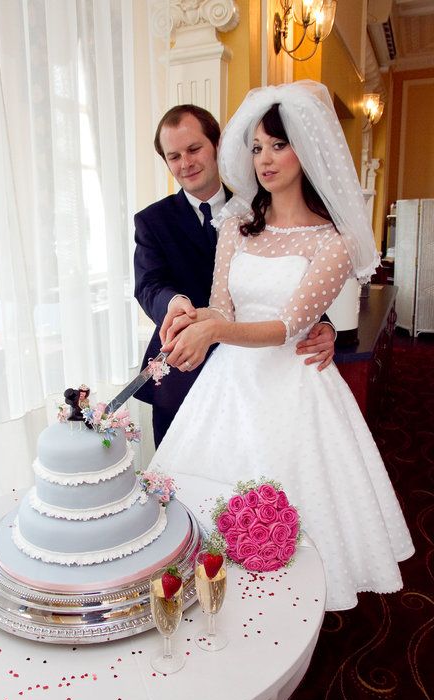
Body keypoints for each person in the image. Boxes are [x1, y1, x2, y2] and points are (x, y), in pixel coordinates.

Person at [150, 81, 414, 612]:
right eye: (256, 148)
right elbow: (223, 308)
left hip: (294, 384)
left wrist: (216, 331)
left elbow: (289, 326)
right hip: (229, 384)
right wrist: (193, 319)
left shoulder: (333, 241)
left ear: (306, 149)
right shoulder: (236, 226)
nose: (265, 159)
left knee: (297, 505)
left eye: (278, 145)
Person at [134, 103, 335, 447]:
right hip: (183, 365)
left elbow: (293, 276)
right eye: (174, 156)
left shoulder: (264, 208)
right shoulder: (152, 220)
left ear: (217, 145)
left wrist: (324, 325)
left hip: (260, 372)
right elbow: (149, 284)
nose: (186, 163)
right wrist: (174, 303)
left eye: (194, 149)